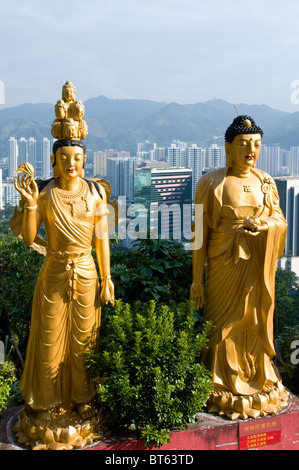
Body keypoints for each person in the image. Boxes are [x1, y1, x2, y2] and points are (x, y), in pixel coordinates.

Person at [12, 84, 114, 449]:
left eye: (76, 157)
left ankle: (82, 401)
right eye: (63, 158)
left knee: (84, 341)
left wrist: (107, 279)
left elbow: (101, 240)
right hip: (55, 271)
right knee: (50, 339)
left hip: (87, 271)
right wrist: (27, 205)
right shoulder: (46, 193)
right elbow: (27, 239)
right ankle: (46, 403)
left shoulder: (95, 193)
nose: (70, 163)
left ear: (84, 160)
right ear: (54, 161)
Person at [190, 115, 289, 419]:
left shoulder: (265, 182)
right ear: (228, 148)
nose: (251, 150)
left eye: (256, 144)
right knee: (222, 326)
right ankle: (219, 380)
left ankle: (256, 376)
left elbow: (281, 222)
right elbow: (199, 236)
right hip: (224, 266)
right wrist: (197, 281)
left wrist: (265, 225)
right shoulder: (212, 182)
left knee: (254, 319)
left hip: (256, 266)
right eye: (244, 144)